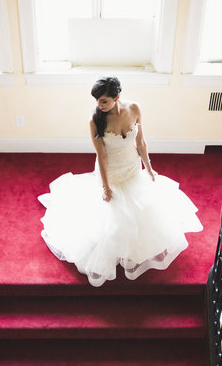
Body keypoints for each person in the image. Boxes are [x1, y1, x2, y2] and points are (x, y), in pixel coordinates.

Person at [38, 76, 203, 287]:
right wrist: (106, 187)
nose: (99, 104)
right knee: (112, 219)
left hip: (133, 168)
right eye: (97, 100)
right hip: (111, 172)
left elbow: (140, 141)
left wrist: (150, 169)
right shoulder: (95, 121)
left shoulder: (134, 109)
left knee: (144, 212)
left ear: (117, 97)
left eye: (104, 101)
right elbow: (102, 156)